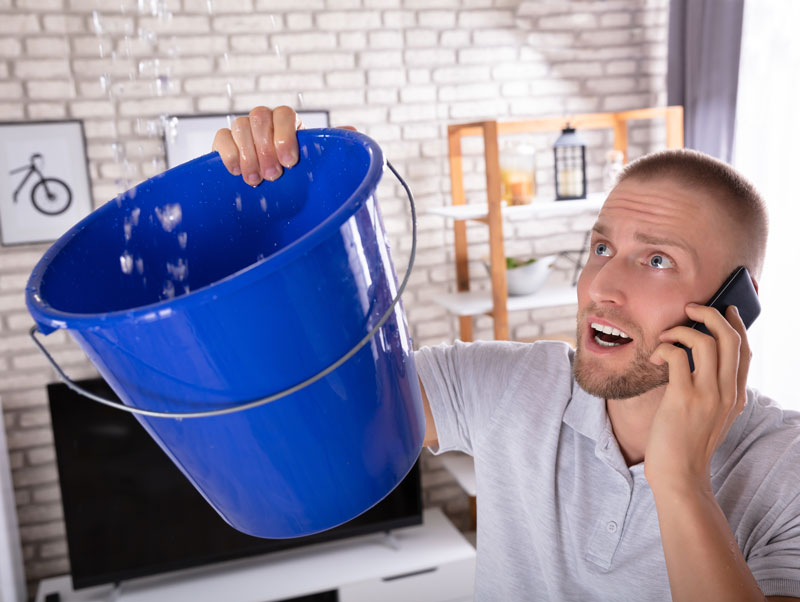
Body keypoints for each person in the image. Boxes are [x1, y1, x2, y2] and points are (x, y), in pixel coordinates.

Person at [212, 106, 800, 602]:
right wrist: (278, 215)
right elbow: (321, 400)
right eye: (601, 246)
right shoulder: (509, 384)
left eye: (655, 261)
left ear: (733, 309)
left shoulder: (786, 472)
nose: (599, 287)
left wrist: (678, 480)